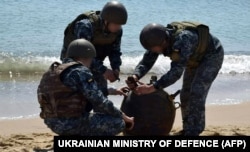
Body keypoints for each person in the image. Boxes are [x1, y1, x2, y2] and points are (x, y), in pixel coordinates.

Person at [126, 21, 224, 136]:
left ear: (163, 42)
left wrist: (152, 87)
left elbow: (176, 73)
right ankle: (187, 128)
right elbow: (147, 61)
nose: (153, 51)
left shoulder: (183, 40)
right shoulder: (157, 40)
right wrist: (135, 75)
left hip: (212, 56)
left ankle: (193, 131)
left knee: (197, 91)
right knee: (185, 93)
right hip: (194, 58)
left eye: (154, 49)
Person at [38, 39, 134, 136]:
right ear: (88, 56)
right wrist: (123, 116)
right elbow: (100, 101)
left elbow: (75, 93)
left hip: (52, 122)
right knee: (118, 122)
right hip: (70, 124)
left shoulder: (52, 72)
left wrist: (111, 91)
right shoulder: (80, 70)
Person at [60, 1, 128, 97]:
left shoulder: (117, 32)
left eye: (120, 25)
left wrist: (115, 68)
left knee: (101, 93)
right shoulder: (85, 26)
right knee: (79, 95)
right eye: (116, 24)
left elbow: (115, 51)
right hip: (73, 64)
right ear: (106, 20)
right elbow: (82, 55)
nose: (119, 27)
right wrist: (104, 70)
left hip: (94, 61)